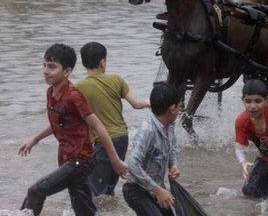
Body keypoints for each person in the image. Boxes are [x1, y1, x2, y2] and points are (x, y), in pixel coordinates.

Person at [19, 44, 127, 216]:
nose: (46, 70)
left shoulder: (73, 96)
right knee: (83, 210)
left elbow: (98, 126)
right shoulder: (51, 92)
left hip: (80, 161)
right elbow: (58, 122)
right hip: (67, 158)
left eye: (52, 67)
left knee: (36, 191)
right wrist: (35, 139)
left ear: (67, 71)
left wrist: (115, 161)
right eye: (45, 65)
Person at [76, 42, 150, 196]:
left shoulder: (78, 87)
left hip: (104, 142)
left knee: (95, 192)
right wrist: (152, 103)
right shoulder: (117, 79)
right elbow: (136, 104)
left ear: (83, 63)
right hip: (123, 138)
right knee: (108, 187)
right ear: (102, 62)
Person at [123, 82, 181, 216]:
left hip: (155, 189)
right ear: (172, 109)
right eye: (180, 106)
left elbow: (172, 147)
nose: (180, 110)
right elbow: (132, 164)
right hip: (136, 189)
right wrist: (157, 190)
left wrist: (174, 164)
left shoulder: (169, 126)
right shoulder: (148, 130)